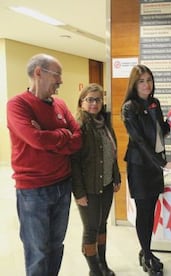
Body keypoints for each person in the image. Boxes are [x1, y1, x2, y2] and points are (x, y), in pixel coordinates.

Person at [6, 53, 82, 276]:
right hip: (33, 191)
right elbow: (35, 139)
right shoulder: (17, 105)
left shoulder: (60, 103)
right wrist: (63, 135)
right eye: (57, 75)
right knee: (38, 251)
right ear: (39, 72)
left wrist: (52, 137)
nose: (61, 81)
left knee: (56, 247)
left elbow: (78, 138)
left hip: (62, 186)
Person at [121, 64, 171, 276]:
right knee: (144, 212)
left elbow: (159, 131)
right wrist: (163, 164)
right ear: (134, 84)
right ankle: (147, 255)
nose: (147, 84)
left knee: (152, 211)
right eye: (142, 81)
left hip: (155, 165)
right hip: (140, 166)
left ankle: (145, 250)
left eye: (149, 80)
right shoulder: (129, 107)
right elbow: (138, 141)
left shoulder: (154, 103)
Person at [71, 83, 121, 276]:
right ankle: (95, 271)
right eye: (90, 99)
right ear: (82, 102)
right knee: (91, 229)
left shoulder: (104, 123)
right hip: (89, 188)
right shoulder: (79, 126)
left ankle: (102, 265)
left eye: (98, 99)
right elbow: (73, 163)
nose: (94, 103)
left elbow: (112, 152)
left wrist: (115, 176)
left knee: (102, 225)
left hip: (106, 185)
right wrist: (79, 193)